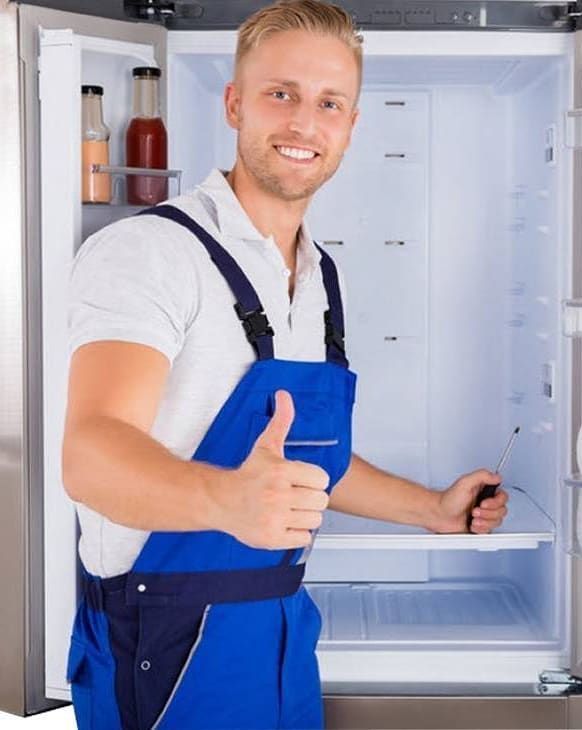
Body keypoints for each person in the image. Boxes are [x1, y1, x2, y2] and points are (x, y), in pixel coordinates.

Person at [62, 1, 509, 728]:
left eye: (329, 102)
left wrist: (432, 509)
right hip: (163, 646)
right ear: (235, 104)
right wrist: (226, 501)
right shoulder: (150, 252)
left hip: (282, 637)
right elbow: (91, 455)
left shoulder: (318, 275)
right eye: (282, 94)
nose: (305, 123)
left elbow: (302, 465)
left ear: (351, 126)